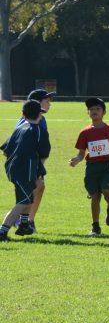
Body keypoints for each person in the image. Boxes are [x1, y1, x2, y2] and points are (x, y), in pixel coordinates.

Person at [68, 97, 109, 236]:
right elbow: (81, 153)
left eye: (97, 109)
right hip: (92, 167)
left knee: (106, 189)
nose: (94, 111)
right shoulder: (85, 132)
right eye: (91, 109)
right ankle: (95, 226)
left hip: (108, 166)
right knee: (95, 196)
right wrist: (76, 160)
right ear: (88, 113)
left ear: (104, 112)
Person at [0, 100, 49, 241]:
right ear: (40, 115)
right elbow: (44, 153)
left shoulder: (19, 128)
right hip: (26, 170)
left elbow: (5, 149)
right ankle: (3, 231)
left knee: (28, 197)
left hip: (13, 169)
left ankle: (24, 225)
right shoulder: (39, 130)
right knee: (24, 200)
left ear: (23, 114)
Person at [14, 89, 53, 236]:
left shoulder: (41, 119)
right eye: (47, 101)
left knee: (38, 188)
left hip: (34, 164)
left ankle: (28, 220)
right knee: (33, 189)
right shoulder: (29, 121)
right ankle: (16, 222)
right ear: (37, 103)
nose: (49, 104)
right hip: (27, 165)